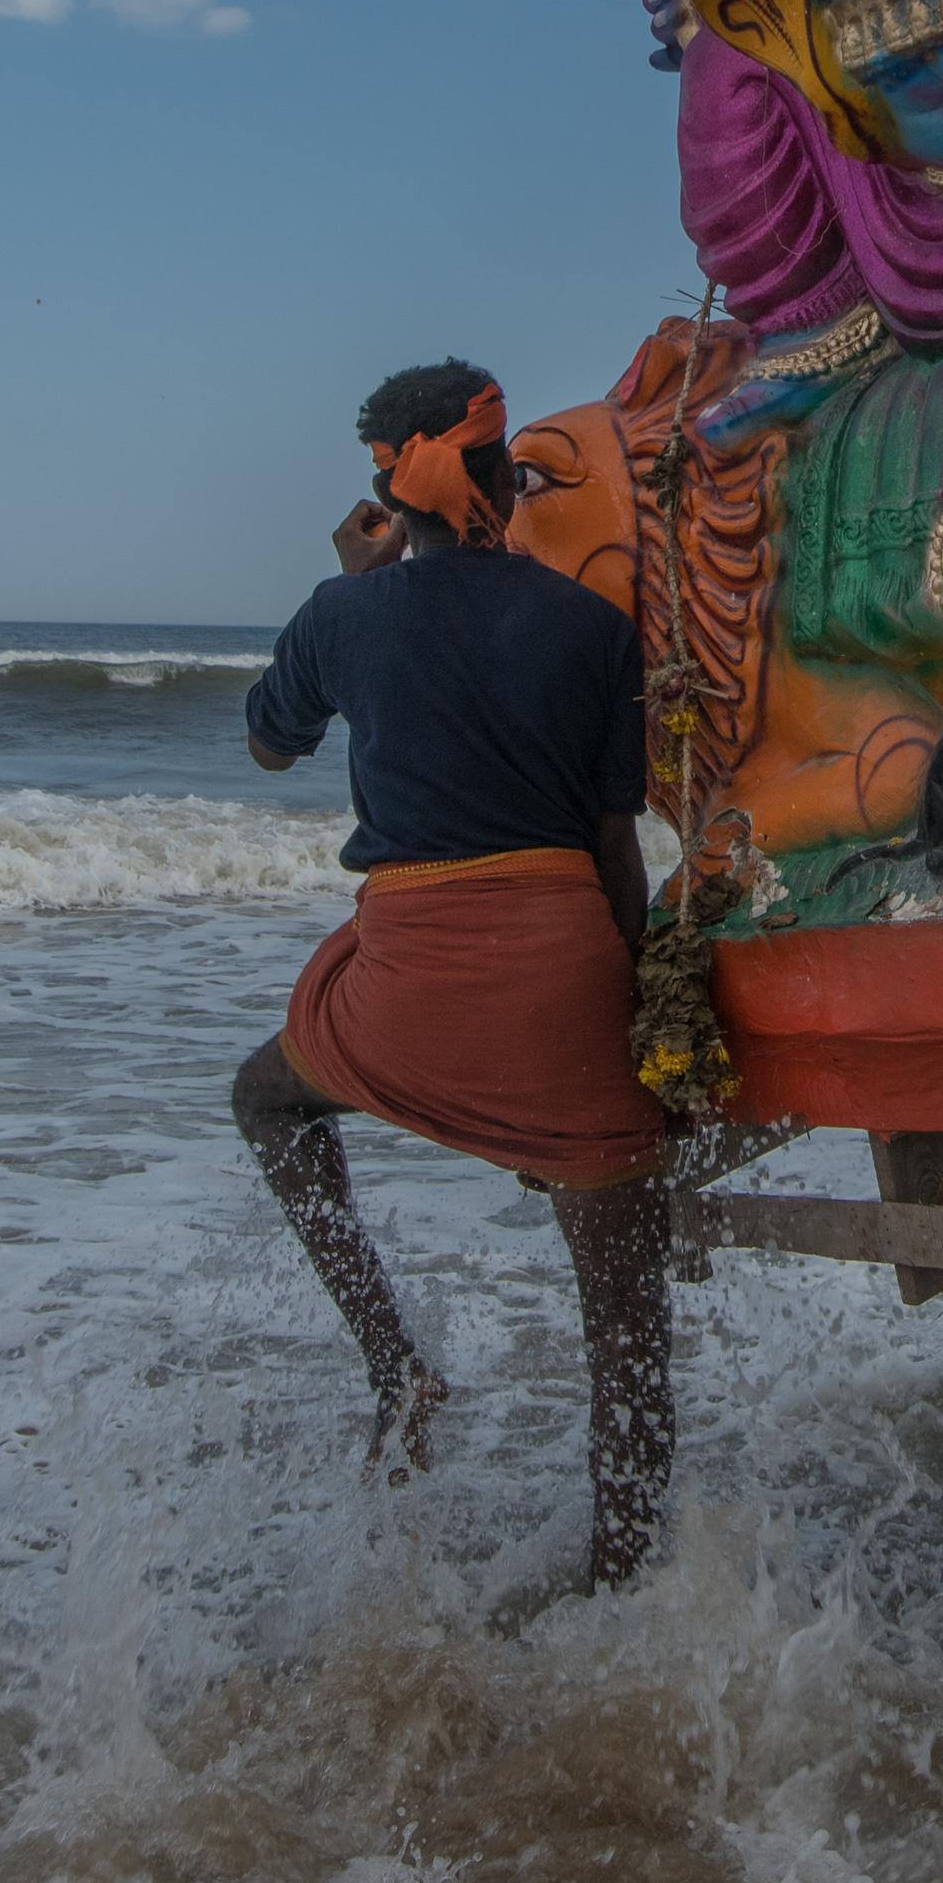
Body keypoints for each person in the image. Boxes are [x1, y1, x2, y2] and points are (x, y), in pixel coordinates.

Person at [232, 358, 676, 1586]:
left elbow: (270, 747)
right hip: (564, 983)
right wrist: (635, 1031)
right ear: (500, 478)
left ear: (389, 490)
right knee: (627, 1330)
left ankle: (397, 1361)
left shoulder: (343, 610)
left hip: (405, 991)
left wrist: (353, 585)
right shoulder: (596, 628)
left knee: (267, 1098)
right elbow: (614, 858)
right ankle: (625, 1574)